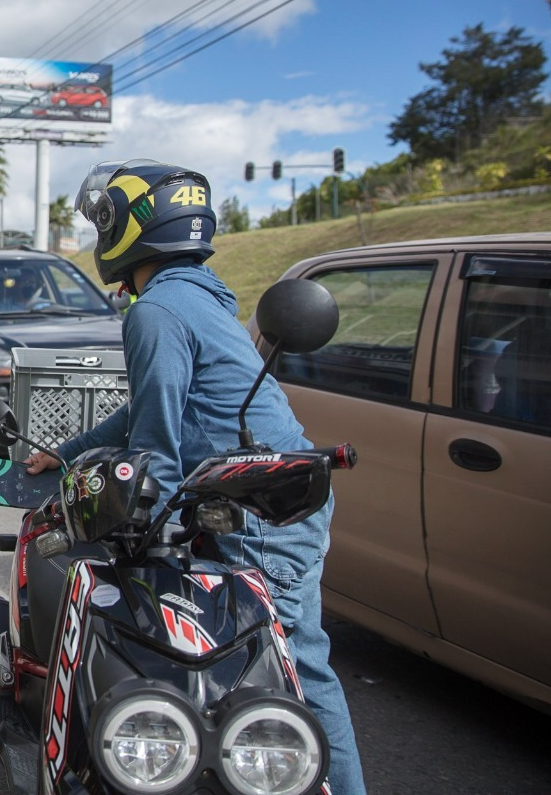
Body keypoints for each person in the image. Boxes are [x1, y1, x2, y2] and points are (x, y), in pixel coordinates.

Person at [25, 159, 367, 795]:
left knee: (294, 672)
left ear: (125, 227)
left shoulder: (155, 310)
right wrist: (67, 452)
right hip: (261, 498)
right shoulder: (198, 292)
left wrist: (130, 508)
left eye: (103, 220)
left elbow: (154, 443)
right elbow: (151, 407)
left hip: (256, 510)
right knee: (264, 663)